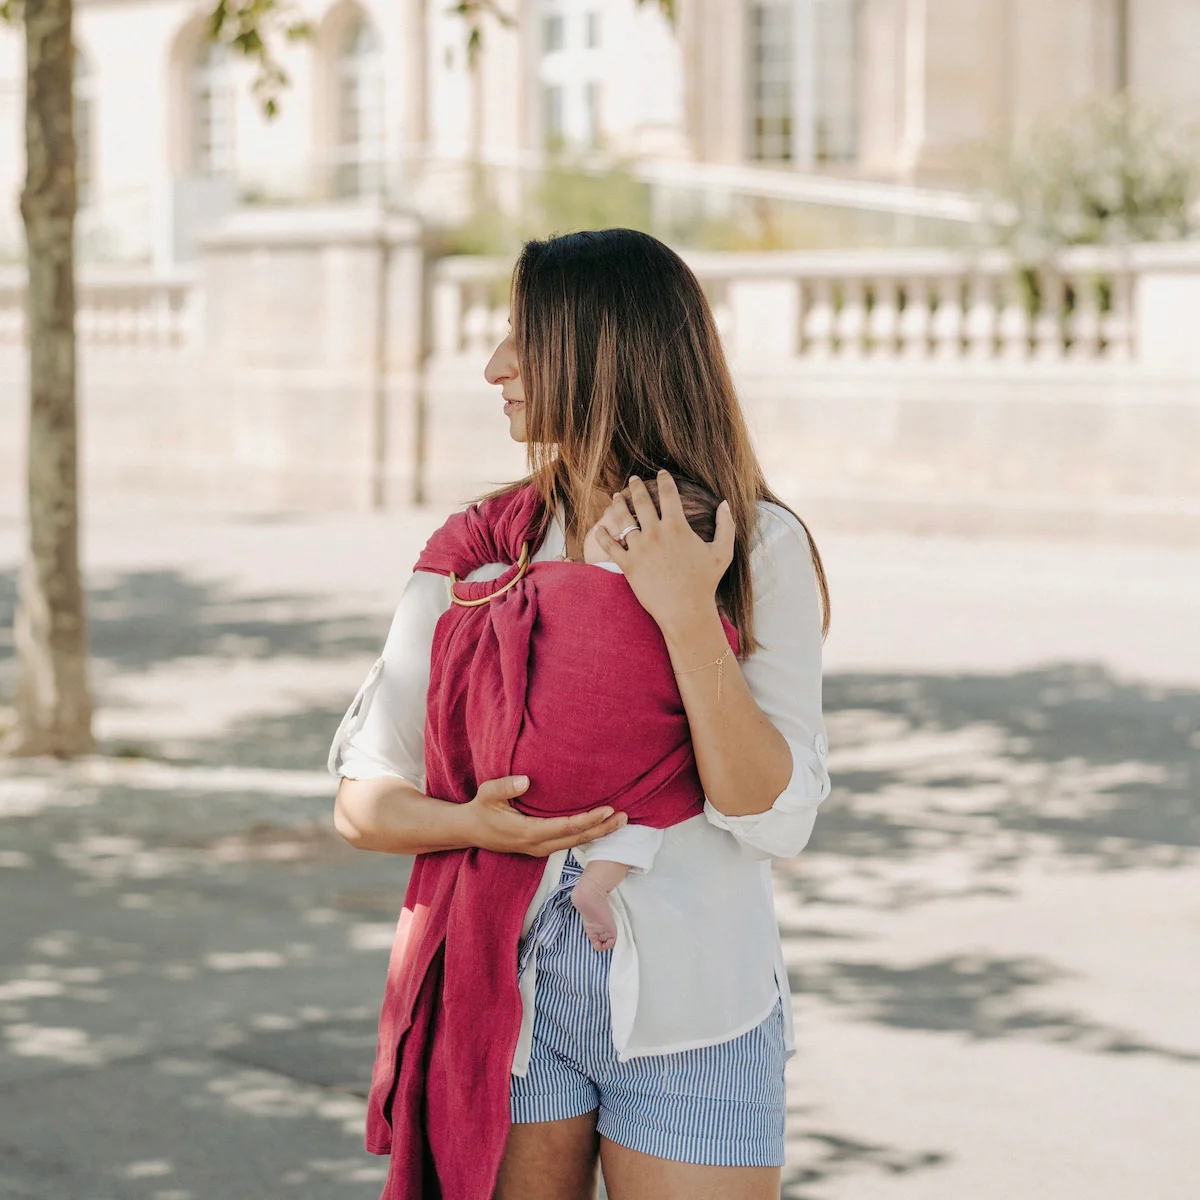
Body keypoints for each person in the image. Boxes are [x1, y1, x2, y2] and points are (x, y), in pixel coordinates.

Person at [331, 228, 832, 1200]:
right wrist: (473, 825)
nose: (494, 368)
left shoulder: (755, 544)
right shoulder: (481, 553)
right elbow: (364, 797)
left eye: (524, 337)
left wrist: (685, 609)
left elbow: (775, 816)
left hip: (695, 1005)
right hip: (506, 1002)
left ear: (603, 351)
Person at [571, 478, 725, 952]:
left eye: (604, 527)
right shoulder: (684, 610)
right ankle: (596, 884)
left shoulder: (575, 584)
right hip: (636, 764)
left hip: (564, 744)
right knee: (649, 814)